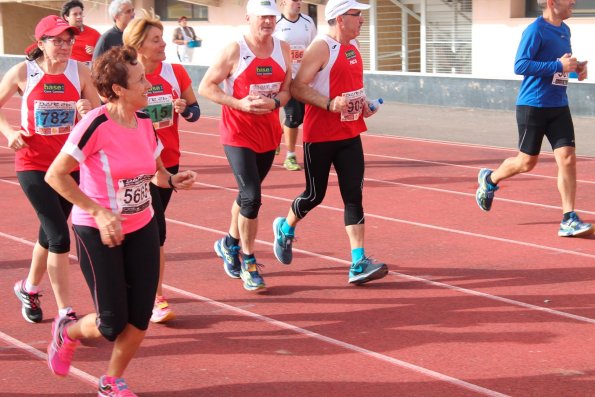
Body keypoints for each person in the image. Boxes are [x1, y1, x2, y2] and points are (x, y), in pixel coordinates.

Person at [44, 46, 196, 396]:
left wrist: (172, 180)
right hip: (97, 230)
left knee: (140, 316)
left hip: (141, 225)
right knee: (111, 323)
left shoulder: (144, 121)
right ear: (117, 90)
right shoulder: (95, 123)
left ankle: (111, 381)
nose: (149, 85)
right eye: (140, 79)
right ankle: (67, 332)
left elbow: (155, 173)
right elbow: (56, 175)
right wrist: (98, 211)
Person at [272, 0, 388, 285]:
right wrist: (328, 103)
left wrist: (364, 105)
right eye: (356, 15)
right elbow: (298, 87)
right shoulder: (321, 47)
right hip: (320, 135)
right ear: (339, 18)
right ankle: (285, 228)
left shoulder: (355, 47)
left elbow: (351, 88)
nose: (361, 20)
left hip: (350, 133)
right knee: (315, 195)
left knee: (353, 196)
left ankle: (358, 262)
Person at [0, 15, 99, 323]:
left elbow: (98, 115)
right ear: (40, 43)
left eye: (69, 40)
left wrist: (87, 110)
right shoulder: (22, 72)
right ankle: (65, 312)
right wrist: (9, 133)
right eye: (57, 41)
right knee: (59, 237)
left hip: (69, 166)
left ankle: (29, 288)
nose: (66, 46)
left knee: (48, 232)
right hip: (32, 165)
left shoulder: (79, 71)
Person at [475, 0, 593, 238]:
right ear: (552, 2)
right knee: (526, 162)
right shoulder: (535, 29)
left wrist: (574, 67)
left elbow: (556, 65)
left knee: (568, 158)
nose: (573, 2)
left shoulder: (564, 29)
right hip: (533, 105)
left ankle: (568, 218)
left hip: (559, 104)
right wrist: (558, 64)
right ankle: (490, 179)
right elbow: (520, 65)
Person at [198, 0, 291, 291]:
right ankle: (248, 260)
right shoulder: (235, 50)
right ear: (248, 17)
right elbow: (206, 87)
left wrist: (275, 102)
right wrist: (238, 103)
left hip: (268, 134)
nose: (267, 22)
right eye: (262, 17)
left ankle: (229, 242)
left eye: (272, 17)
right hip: (237, 133)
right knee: (252, 197)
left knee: (246, 195)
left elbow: (287, 90)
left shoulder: (283, 49)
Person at [123, 9, 201, 323]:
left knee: (153, 231)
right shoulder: (126, 76)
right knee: (154, 232)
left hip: (167, 163)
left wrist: (186, 108)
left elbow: (195, 111)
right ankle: (154, 296)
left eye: (162, 38)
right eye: (156, 40)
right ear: (139, 45)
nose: (163, 43)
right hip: (135, 167)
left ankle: (144, 289)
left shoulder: (176, 72)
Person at [273, 0, 317, 171]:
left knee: (302, 117)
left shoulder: (308, 22)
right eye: (295, 0)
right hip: (285, 78)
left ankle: (276, 136)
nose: (299, 2)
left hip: (304, 78)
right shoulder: (276, 22)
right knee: (293, 115)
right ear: (283, 2)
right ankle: (290, 156)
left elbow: (314, 47)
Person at [61, 0, 101, 67]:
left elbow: (107, 54)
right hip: (66, 69)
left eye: (80, 13)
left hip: (89, 71)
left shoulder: (94, 34)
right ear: (66, 17)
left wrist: (96, 52)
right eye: (75, 14)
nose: (79, 17)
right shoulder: (60, 34)